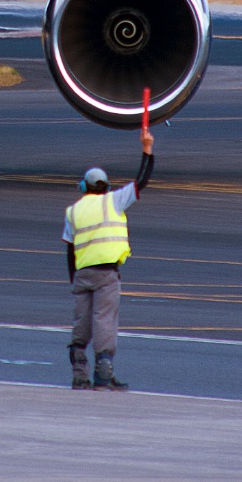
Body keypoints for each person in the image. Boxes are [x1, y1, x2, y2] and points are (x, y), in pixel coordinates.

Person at [62, 127, 154, 390]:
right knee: (104, 320)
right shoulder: (113, 201)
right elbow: (142, 181)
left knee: (81, 323)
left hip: (82, 274)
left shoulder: (74, 210)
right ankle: (103, 374)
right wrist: (147, 149)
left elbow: (69, 248)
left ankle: (79, 375)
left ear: (83, 187)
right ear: (106, 186)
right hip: (107, 274)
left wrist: (74, 279)